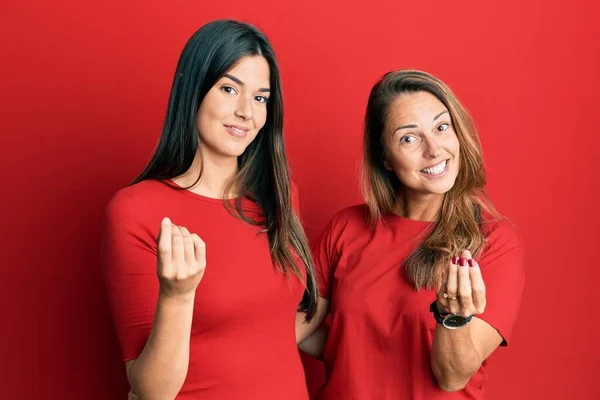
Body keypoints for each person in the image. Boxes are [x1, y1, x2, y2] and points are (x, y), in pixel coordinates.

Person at [101, 20, 323, 400]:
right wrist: (178, 295)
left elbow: (273, 326)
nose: (246, 112)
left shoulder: (278, 197)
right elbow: (151, 391)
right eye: (228, 88)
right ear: (195, 91)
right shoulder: (137, 209)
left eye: (260, 98)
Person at [299, 69, 525, 399]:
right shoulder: (346, 228)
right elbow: (295, 327)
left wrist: (452, 318)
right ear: (385, 159)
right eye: (409, 138)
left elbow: (451, 378)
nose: (434, 150)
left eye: (441, 127)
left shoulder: (494, 241)